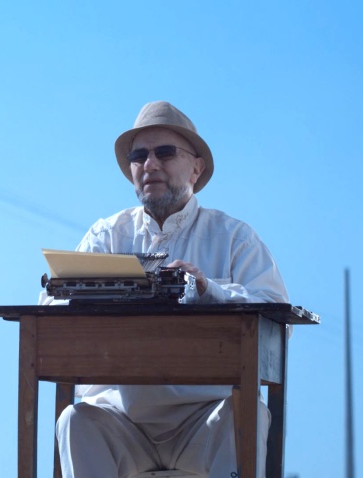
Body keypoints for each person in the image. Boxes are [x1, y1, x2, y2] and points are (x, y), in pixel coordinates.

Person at [46, 101, 289, 478]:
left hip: (205, 420)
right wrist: (100, 292)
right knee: (74, 421)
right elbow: (50, 308)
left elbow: (276, 315)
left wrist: (208, 290)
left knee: (247, 414)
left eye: (164, 153)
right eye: (139, 156)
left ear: (197, 167)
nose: (150, 164)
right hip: (122, 422)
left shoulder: (233, 238)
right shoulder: (107, 235)